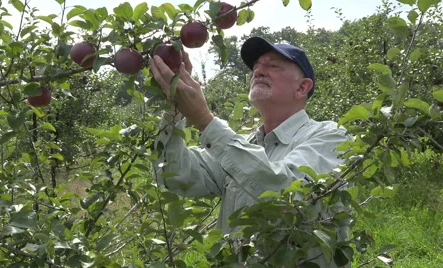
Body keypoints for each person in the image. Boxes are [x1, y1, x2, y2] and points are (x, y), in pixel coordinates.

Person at [149, 37, 351, 266]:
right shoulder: (243, 146)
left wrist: (204, 120)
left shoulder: (333, 137)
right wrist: (173, 112)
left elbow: (285, 192)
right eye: (256, 66)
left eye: (273, 65)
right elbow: (175, 177)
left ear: (302, 87)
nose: (259, 71)